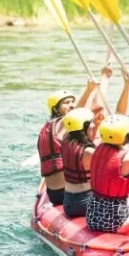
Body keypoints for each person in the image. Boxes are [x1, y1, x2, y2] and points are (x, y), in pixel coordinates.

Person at [60, 71, 129, 218]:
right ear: (86, 127)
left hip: (68, 201)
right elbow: (119, 120)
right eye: (91, 123)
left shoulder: (66, 139)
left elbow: (75, 117)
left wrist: (96, 124)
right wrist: (127, 86)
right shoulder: (90, 153)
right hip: (85, 202)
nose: (94, 125)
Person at [37, 71, 104, 205]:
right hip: (66, 192)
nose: (71, 105)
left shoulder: (48, 128)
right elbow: (79, 112)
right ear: (56, 109)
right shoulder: (60, 124)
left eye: (72, 102)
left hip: (53, 193)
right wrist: (89, 90)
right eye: (66, 103)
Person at [86, 114, 129, 233]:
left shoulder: (97, 150)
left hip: (92, 218)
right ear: (126, 136)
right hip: (114, 223)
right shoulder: (126, 159)